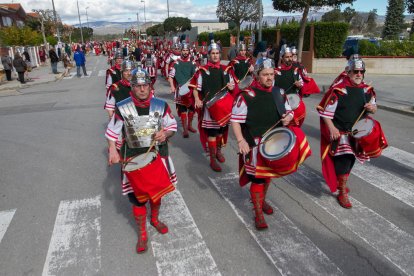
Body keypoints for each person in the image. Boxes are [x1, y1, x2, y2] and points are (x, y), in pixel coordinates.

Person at [231, 57, 311, 230]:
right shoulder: (246, 95)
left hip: (274, 141)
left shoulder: (279, 92)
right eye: (265, 74)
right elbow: (235, 120)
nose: (269, 78)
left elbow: (288, 111)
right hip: (255, 144)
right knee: (258, 179)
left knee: (268, 176)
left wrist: (288, 116)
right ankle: (258, 212)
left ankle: (261, 201)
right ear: (257, 76)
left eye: (271, 74)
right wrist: (240, 141)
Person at [106, 68, 177, 254]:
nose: (142, 89)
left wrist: (165, 133)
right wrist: (113, 150)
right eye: (138, 86)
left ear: (150, 86)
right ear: (132, 87)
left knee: (156, 192)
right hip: (133, 158)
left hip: (157, 156)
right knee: (137, 199)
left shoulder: (161, 105)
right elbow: (112, 132)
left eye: (145, 85)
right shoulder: (122, 108)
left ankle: (154, 219)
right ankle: (142, 233)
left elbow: (172, 126)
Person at [317, 58, 387, 209]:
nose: (359, 74)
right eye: (355, 71)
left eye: (361, 72)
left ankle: (341, 183)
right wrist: (332, 128)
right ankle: (342, 191)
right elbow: (325, 113)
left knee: (350, 160)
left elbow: (373, 107)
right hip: (341, 134)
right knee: (345, 160)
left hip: (357, 133)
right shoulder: (339, 90)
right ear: (348, 72)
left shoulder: (367, 90)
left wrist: (372, 108)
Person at [190, 40, 235, 172]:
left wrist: (232, 87)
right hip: (210, 107)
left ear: (220, 54)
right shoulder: (202, 71)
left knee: (221, 131)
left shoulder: (226, 70)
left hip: (224, 106)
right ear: (208, 55)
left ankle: (218, 151)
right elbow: (194, 88)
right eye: (212, 53)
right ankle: (212, 160)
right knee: (212, 133)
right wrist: (197, 99)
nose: (215, 55)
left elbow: (232, 88)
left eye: (217, 53)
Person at [168, 42, 198, 138]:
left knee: (192, 109)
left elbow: (197, 76)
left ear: (189, 51)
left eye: (186, 50)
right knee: (183, 109)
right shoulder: (176, 63)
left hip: (191, 90)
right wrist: (172, 87)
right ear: (181, 51)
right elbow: (171, 77)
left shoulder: (193, 63)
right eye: (183, 50)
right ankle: (185, 129)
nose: (185, 52)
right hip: (180, 90)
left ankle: (189, 126)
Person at [274, 45, 306, 126]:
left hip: (294, 101)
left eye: (291, 56)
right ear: (282, 58)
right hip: (282, 104)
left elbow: (301, 82)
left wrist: (299, 84)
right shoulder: (276, 72)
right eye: (287, 57)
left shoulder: (295, 70)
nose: (290, 59)